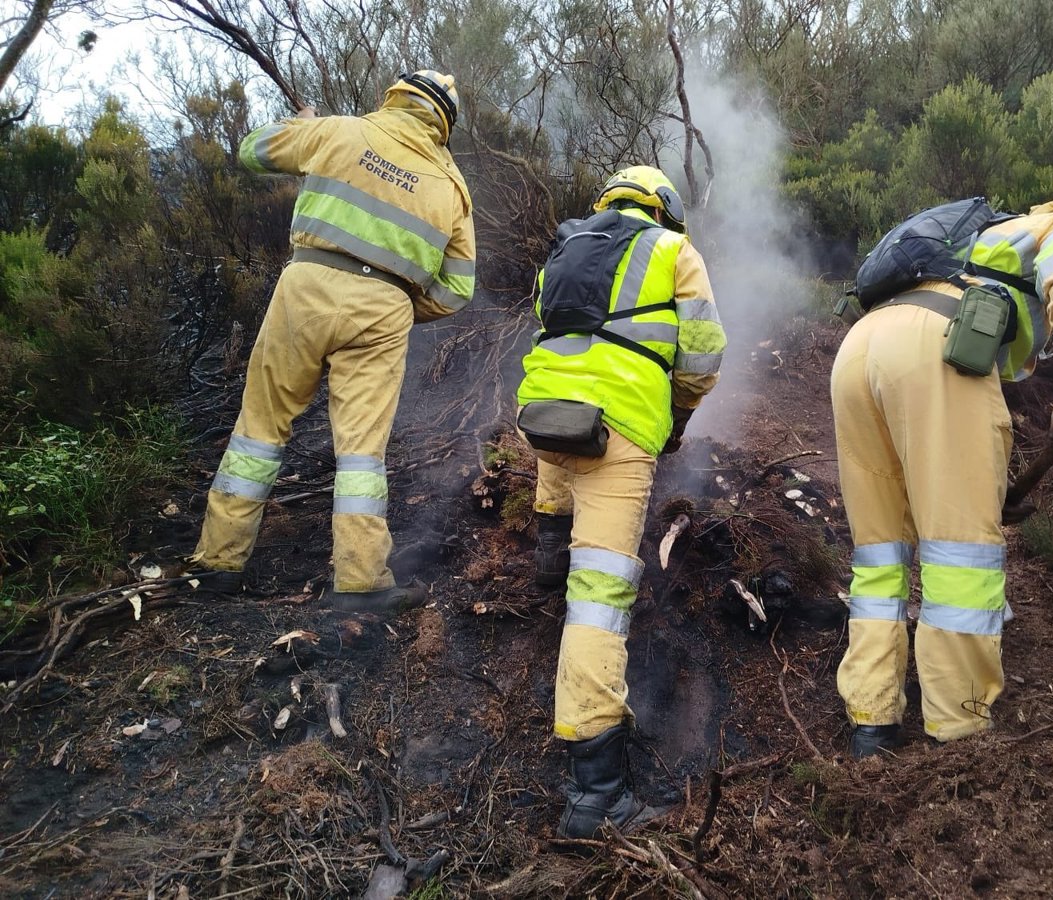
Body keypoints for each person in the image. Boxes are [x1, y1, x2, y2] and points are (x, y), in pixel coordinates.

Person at [831, 197, 1053, 757]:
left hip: (859, 352)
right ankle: (958, 729)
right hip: (935, 343)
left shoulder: (980, 242)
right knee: (960, 557)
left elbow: (937, 468)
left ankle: (871, 722)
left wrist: (990, 496)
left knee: (879, 553)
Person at [190, 71, 475, 612]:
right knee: (363, 452)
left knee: (259, 429)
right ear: (444, 124)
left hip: (307, 288)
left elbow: (252, 151)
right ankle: (362, 579)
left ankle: (219, 563)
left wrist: (303, 128)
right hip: (385, 311)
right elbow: (457, 289)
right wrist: (396, 303)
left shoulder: (339, 132)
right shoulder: (452, 189)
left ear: (392, 96)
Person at [516, 166, 726, 837]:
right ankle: (595, 794)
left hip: (543, 416)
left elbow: (551, 331)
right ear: (663, 208)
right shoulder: (672, 250)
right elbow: (701, 354)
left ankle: (551, 549)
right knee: (600, 603)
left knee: (561, 447)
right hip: (619, 430)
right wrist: (680, 417)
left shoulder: (566, 251)